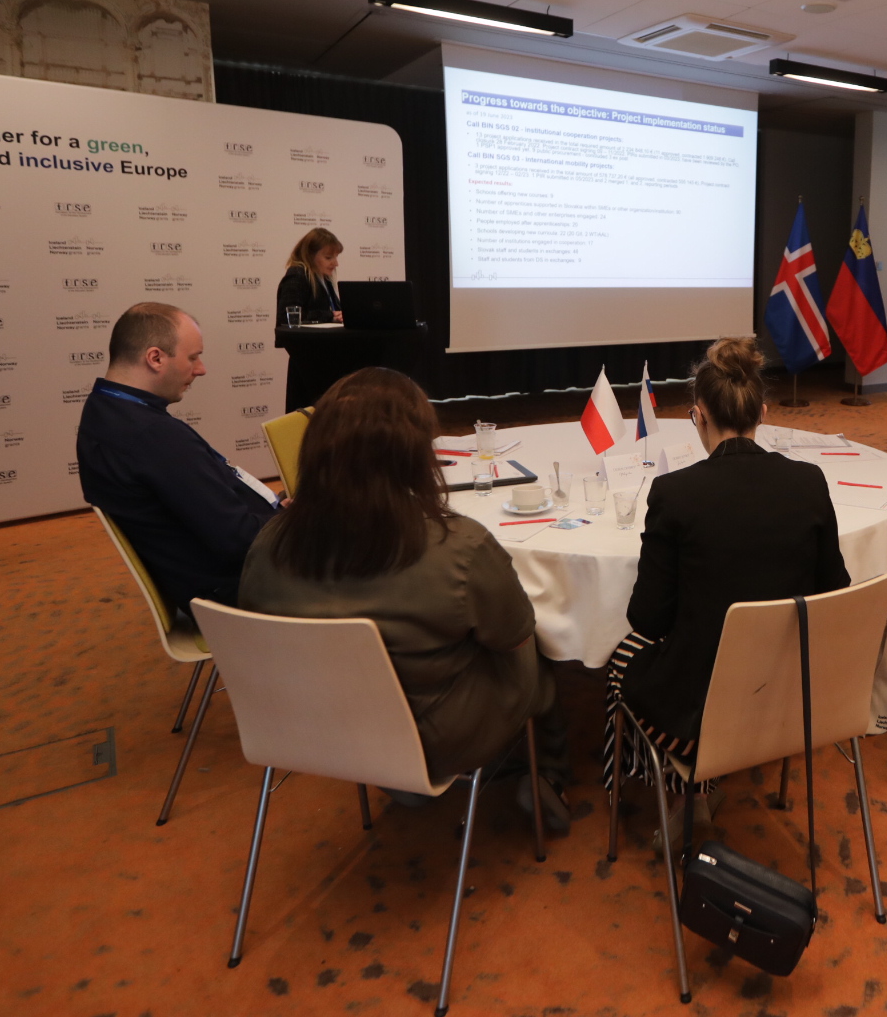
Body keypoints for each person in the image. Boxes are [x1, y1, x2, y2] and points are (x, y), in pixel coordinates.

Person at [238, 368, 562, 820]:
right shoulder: (460, 546)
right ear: (415, 455)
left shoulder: (269, 542)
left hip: (310, 726)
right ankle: (542, 769)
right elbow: (514, 637)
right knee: (547, 645)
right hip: (438, 737)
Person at [605, 336, 849, 794]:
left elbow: (647, 618)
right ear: (762, 414)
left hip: (699, 709)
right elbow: (834, 590)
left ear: (699, 415)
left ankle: (667, 797)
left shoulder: (675, 493)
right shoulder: (808, 482)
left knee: (621, 658)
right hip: (791, 697)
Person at [78, 303, 280, 615]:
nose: (201, 369)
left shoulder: (103, 409)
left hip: (209, 577)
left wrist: (276, 511)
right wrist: (296, 522)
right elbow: (240, 542)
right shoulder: (152, 437)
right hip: (242, 589)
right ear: (155, 357)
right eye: (193, 357)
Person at [278, 227, 343, 324]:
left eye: (336, 257)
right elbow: (289, 316)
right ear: (310, 256)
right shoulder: (297, 275)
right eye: (328, 258)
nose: (336, 263)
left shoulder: (324, 278)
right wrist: (330, 315)